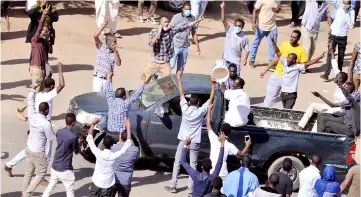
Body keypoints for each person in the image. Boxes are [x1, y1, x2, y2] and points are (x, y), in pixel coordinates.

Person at [3, 62, 65, 176]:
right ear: (51, 87)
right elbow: (62, 85)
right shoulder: (48, 96)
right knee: (46, 152)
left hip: (35, 124)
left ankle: (9, 165)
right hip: (44, 126)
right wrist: (60, 69)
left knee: (29, 150)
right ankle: (41, 175)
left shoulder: (39, 94)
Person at [165, 69, 216, 195]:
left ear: (189, 102)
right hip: (195, 142)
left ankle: (173, 185)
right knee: (193, 166)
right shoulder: (200, 112)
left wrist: (179, 78)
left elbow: (181, 93)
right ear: (198, 103)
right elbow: (211, 99)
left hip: (184, 140)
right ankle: (190, 190)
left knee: (177, 162)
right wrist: (213, 85)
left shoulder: (185, 110)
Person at [296, 44, 349, 131]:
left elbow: (333, 105)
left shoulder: (345, 92)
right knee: (313, 105)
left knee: (322, 115)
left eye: (336, 77)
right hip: (332, 107)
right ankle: (300, 126)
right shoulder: (340, 78)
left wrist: (319, 96)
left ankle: (313, 132)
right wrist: (331, 50)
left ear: (339, 80)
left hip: (338, 111)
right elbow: (334, 64)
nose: (334, 77)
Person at [269, 33, 325, 109]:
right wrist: (272, 41)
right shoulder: (285, 62)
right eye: (288, 58)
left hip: (291, 95)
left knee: (287, 111)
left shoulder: (298, 67)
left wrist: (320, 57)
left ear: (294, 60)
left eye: (290, 58)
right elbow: (278, 52)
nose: (288, 59)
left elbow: (309, 63)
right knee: (285, 110)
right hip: (283, 94)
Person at [17, 6, 50, 121]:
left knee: (39, 93)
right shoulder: (35, 40)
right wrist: (44, 15)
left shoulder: (42, 43)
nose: (45, 32)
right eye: (44, 31)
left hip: (40, 70)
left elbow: (48, 52)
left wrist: (47, 41)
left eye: (46, 31)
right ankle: (21, 108)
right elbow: (40, 26)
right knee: (34, 92)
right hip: (36, 70)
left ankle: (36, 113)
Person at [101, 72, 151, 148]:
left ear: (115, 95)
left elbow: (108, 91)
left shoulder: (110, 102)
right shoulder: (125, 104)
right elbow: (136, 95)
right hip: (120, 136)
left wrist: (108, 79)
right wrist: (143, 83)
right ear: (124, 97)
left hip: (109, 134)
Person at [261, 30, 308, 108]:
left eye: (294, 37)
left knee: (286, 103)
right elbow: (277, 57)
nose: (292, 39)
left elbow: (304, 64)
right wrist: (265, 70)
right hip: (278, 75)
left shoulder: (301, 50)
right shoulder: (285, 44)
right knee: (270, 97)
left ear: (298, 38)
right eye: (291, 37)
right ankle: (264, 112)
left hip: (289, 81)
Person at [87, 117, 132, 197]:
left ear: (103, 144)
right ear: (112, 145)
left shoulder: (98, 153)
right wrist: (128, 126)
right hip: (108, 187)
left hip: (96, 184)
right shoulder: (114, 156)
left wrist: (93, 124)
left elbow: (89, 138)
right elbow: (128, 143)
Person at [206, 103, 251, 182]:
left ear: (221, 131)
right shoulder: (230, 145)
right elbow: (241, 154)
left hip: (212, 172)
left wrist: (209, 109)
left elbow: (208, 123)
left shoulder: (213, 138)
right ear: (229, 134)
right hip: (223, 174)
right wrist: (247, 145)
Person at [22, 86, 54, 197]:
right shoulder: (46, 123)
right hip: (38, 152)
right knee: (40, 173)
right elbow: (50, 138)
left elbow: (30, 103)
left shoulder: (32, 115)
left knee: (28, 173)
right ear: (46, 111)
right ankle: (27, 194)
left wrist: (32, 90)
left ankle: (24, 193)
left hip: (29, 148)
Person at [42, 113, 81, 197]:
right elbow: (76, 151)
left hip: (55, 165)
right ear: (73, 123)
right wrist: (79, 142)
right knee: (69, 190)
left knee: (50, 186)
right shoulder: (73, 137)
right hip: (66, 168)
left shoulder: (59, 131)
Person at [321, 0, 354, 81]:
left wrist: (346, 13)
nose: (345, 5)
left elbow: (351, 25)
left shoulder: (352, 12)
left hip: (343, 36)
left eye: (347, 4)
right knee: (330, 53)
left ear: (350, 4)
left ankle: (339, 75)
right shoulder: (339, 8)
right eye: (344, 3)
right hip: (333, 35)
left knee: (341, 56)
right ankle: (326, 74)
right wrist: (330, 28)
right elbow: (335, 21)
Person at [220, 1, 250, 76]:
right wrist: (222, 8)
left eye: (239, 26)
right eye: (236, 25)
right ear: (234, 25)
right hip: (226, 59)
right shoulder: (229, 30)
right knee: (224, 77)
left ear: (242, 27)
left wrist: (245, 59)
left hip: (236, 61)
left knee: (236, 78)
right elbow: (223, 20)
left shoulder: (244, 37)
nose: (237, 27)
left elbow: (247, 49)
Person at [170, 2, 200, 73]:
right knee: (171, 65)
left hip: (185, 46)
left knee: (181, 68)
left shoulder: (193, 18)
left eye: (189, 9)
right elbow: (170, 30)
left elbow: (194, 33)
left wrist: (197, 46)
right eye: (186, 9)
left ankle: (179, 83)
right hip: (175, 45)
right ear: (183, 9)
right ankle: (157, 74)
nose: (188, 11)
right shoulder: (176, 17)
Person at [249, 0, 281, 67]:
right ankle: (251, 59)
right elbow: (255, 10)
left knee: (272, 46)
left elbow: (277, 11)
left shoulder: (278, 0)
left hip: (272, 27)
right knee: (256, 43)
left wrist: (277, 10)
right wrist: (253, 23)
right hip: (261, 27)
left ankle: (270, 63)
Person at [93, 19, 121, 92]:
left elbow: (118, 63)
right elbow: (95, 36)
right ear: (109, 42)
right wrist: (103, 25)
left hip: (108, 80)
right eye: (114, 42)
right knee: (97, 98)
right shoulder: (101, 47)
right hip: (98, 78)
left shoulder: (116, 52)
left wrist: (114, 51)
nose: (116, 44)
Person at [111, 130, 140, 197]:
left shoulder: (113, 147)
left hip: (113, 180)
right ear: (131, 140)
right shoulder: (135, 150)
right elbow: (136, 159)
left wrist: (118, 143)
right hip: (126, 182)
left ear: (120, 137)